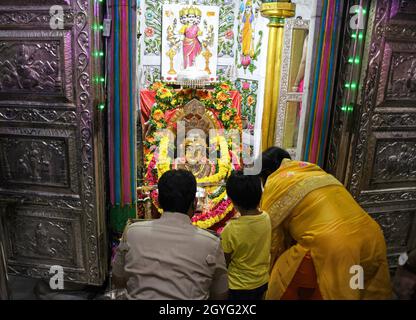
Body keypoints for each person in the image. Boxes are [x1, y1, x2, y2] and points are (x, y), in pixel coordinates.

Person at [259, 147, 392, 300]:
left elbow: (273, 236)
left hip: (336, 246)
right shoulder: (313, 170)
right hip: (372, 235)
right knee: (359, 284)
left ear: (267, 173)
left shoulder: (276, 180)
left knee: (282, 274)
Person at [112, 169, 228, 300]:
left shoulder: (133, 232)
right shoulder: (211, 243)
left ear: (159, 201)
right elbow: (220, 293)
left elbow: (118, 279)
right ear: (195, 204)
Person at [221, 171, 271, 300]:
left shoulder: (231, 229)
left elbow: (224, 262)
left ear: (232, 200)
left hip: (238, 286)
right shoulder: (266, 218)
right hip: (262, 281)